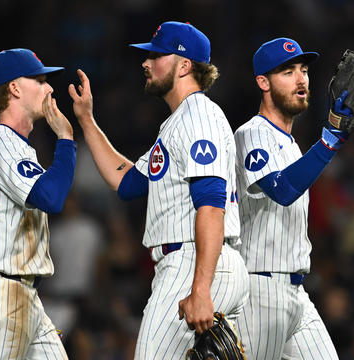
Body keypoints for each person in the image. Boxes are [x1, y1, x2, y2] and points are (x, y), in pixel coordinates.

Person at [67, 21, 248, 359]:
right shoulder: (178, 123)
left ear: (184, 65)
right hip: (203, 262)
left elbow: (211, 206)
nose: (145, 63)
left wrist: (201, 288)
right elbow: (128, 182)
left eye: (156, 55)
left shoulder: (198, 118)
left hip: (194, 261)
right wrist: (87, 121)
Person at [234, 37, 354, 359]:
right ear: (263, 82)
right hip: (259, 290)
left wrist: (330, 130)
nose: (301, 78)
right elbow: (282, 189)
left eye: (303, 69)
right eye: (287, 71)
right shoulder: (252, 133)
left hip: (296, 291)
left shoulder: (291, 145)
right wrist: (328, 142)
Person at [0, 48, 76, 359]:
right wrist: (65, 138)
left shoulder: (14, 146)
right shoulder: (0, 142)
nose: (49, 88)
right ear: (14, 87)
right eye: (39, 79)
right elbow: (50, 198)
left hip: (21, 293)